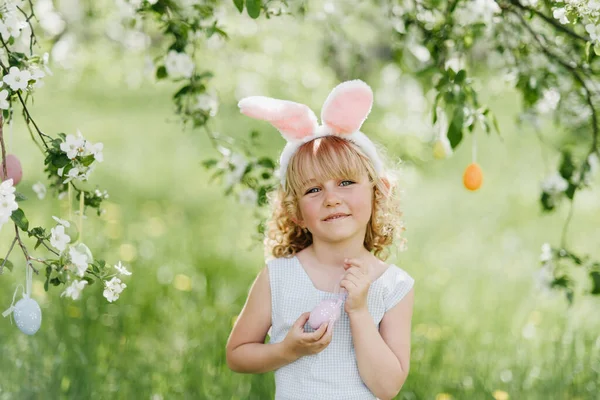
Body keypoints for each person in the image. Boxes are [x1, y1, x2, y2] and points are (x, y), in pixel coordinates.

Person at [226, 79, 415, 400]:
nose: (331, 198)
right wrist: (287, 350)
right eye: (313, 189)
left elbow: (387, 387)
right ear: (296, 211)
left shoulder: (392, 286)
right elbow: (237, 354)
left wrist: (358, 311)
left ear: (377, 190)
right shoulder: (279, 276)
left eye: (345, 182)